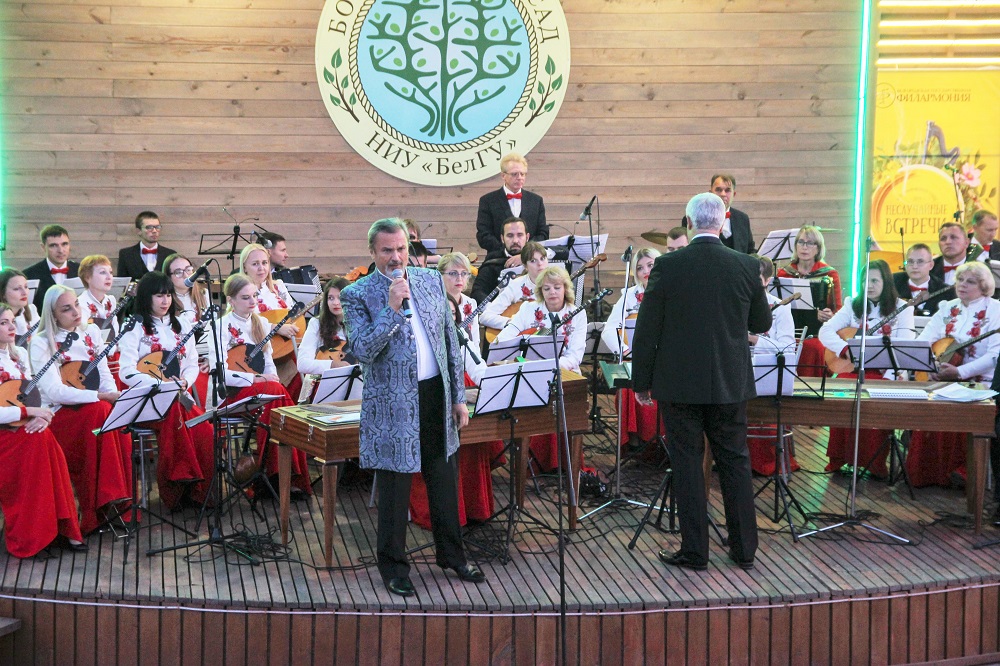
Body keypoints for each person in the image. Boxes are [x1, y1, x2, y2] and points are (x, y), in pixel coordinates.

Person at [341, 217, 484, 597]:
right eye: (387, 250)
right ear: (372, 252)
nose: (396, 257)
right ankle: (393, 567)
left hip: (435, 393)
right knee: (395, 489)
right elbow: (362, 350)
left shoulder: (430, 280)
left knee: (443, 479)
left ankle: (452, 556)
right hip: (392, 404)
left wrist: (457, 397)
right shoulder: (357, 294)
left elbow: (449, 340)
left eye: (401, 249)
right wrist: (391, 308)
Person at [631, 192, 770, 571]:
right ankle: (744, 549)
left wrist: (641, 380)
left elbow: (647, 329)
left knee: (688, 465)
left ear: (689, 223)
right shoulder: (747, 265)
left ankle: (695, 551)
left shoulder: (668, 266)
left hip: (679, 384)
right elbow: (761, 322)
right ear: (723, 222)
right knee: (735, 462)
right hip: (730, 380)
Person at [31, 285, 133, 535]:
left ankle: (116, 502)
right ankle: (106, 501)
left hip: (94, 411)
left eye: (76, 304)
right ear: (53, 315)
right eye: (66, 309)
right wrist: (100, 397)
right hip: (60, 415)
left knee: (116, 417)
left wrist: (114, 397)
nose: (76, 312)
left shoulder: (92, 332)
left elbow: (104, 374)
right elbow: (55, 392)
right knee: (100, 411)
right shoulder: (41, 342)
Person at [410, 253, 499, 528]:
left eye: (452, 315)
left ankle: (472, 507)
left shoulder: (460, 336)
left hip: (458, 400)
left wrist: (495, 382)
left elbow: (477, 365)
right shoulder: (421, 341)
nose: (448, 319)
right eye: (453, 274)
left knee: (473, 439)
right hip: (426, 404)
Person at [117, 271, 216, 510]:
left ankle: (200, 492)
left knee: (204, 429)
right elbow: (125, 372)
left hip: (179, 396)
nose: (165, 301)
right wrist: (159, 385)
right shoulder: (134, 327)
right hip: (148, 401)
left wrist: (185, 382)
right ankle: (177, 487)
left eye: (169, 295)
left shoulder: (182, 325)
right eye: (159, 296)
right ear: (146, 297)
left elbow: (191, 364)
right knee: (174, 415)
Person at [209, 273, 310, 495]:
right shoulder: (220, 326)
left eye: (254, 295)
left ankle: (275, 475)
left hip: (261, 392)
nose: (253, 301)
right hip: (231, 394)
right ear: (230, 300)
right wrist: (255, 379)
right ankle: (284, 475)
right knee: (278, 396)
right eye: (245, 298)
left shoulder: (261, 323)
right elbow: (221, 374)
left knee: (276, 393)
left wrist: (270, 377)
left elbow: (268, 364)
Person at [0, 303, 87, 558]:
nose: (11, 326)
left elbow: (35, 397)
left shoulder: (17, 354)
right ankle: (33, 537)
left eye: (12, 321)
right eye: (3, 323)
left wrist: (44, 417)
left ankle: (57, 529)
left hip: (22, 429)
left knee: (44, 438)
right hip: (3, 435)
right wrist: (27, 413)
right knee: (36, 444)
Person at [818, 260, 914, 477]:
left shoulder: (903, 307)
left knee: (874, 396)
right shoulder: (853, 304)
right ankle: (840, 458)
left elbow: (903, 346)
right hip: (853, 369)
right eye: (864, 280)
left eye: (875, 280)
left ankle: (874, 463)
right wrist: (845, 349)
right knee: (841, 390)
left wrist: (892, 375)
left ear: (886, 282)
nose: (868, 285)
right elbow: (825, 331)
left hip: (885, 372)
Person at [909, 262, 1000, 488]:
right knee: (925, 407)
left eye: (970, 281)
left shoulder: (996, 310)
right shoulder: (947, 308)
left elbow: (994, 355)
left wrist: (960, 372)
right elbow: (923, 342)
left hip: (981, 384)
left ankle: (963, 472)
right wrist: (931, 367)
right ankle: (928, 473)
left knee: (961, 409)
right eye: (960, 280)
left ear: (984, 286)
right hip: (942, 379)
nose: (962, 285)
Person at [495, 266, 588, 472]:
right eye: (546, 288)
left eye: (557, 287)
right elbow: (507, 336)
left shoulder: (577, 313)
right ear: (540, 291)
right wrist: (503, 347)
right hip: (531, 372)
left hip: (565, 373)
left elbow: (575, 356)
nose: (552, 292)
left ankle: (565, 464)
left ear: (566, 288)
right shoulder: (528, 308)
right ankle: (530, 461)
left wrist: (547, 367)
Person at [600, 248, 665, 452]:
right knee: (629, 386)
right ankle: (636, 444)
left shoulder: (670, 290)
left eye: (650, 265)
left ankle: (662, 443)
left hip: (664, 361)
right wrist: (625, 351)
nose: (645, 271)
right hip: (637, 360)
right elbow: (609, 329)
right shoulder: (629, 296)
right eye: (639, 268)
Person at [747, 254, 799, 476]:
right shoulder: (734, 303)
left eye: (756, 278)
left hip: (767, 376)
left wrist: (753, 339)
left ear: (767, 281)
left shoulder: (780, 308)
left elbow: (787, 349)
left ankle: (764, 460)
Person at [777, 225, 842, 377]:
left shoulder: (830, 274)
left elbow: (838, 310)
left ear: (818, 248)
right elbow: (777, 307)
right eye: (801, 242)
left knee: (813, 348)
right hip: (789, 330)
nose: (804, 247)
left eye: (810, 243)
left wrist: (829, 316)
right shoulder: (783, 274)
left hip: (817, 333)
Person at [240, 243, 302, 400]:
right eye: (255, 264)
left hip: (285, 346)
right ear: (245, 267)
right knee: (298, 364)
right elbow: (242, 323)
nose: (261, 268)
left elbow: (292, 314)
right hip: (259, 350)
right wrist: (276, 328)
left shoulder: (278, 287)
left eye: (264, 263)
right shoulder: (240, 292)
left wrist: (292, 326)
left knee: (307, 363)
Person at [476, 152, 548, 254]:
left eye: (522, 174)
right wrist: (507, 252)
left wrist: (525, 253)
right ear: (503, 175)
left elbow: (543, 233)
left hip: (529, 258)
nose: (519, 177)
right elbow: (483, 235)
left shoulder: (536, 201)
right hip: (498, 258)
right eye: (514, 174)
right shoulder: (488, 201)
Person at [164, 253, 212, 406]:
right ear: (169, 277)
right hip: (182, 359)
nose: (185, 275)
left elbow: (212, 331)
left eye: (188, 270)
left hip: (204, 355)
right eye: (178, 272)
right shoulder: (166, 301)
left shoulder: (203, 295)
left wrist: (211, 358)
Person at [479, 241, 549, 334]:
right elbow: (485, 317)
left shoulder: (557, 284)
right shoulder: (516, 285)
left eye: (542, 258)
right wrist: (513, 323)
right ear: (525, 266)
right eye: (533, 261)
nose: (540, 264)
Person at [681, 174, 754, 253]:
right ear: (710, 193)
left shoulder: (742, 218)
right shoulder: (693, 217)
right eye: (718, 190)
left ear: (734, 194)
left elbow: (750, 250)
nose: (723, 194)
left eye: (727, 190)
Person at [297, 277, 353, 379]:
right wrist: (332, 365)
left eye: (340, 297)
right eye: (331, 298)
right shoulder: (316, 323)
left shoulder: (361, 323)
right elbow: (302, 363)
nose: (335, 302)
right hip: (323, 380)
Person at [471, 217, 529, 304]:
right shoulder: (492, 262)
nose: (515, 240)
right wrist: (493, 308)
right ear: (502, 238)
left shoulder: (539, 261)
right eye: (510, 235)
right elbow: (477, 292)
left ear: (527, 237)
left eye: (520, 235)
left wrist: (526, 257)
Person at [23, 224, 79, 312]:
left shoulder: (81, 271)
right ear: (43, 247)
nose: (61, 250)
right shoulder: (29, 275)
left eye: (64, 244)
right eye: (53, 245)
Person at [116, 211, 177, 282]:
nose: (154, 231)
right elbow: (122, 283)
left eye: (157, 227)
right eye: (149, 227)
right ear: (138, 231)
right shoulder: (126, 254)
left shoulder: (170, 254)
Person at [893, 243, 950, 317]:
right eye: (910, 261)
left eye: (920, 262)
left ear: (931, 265)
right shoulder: (891, 285)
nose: (915, 266)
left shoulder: (946, 291)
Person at [0, 268, 39, 344]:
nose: (25, 292)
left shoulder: (32, 310)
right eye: (17, 289)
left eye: (26, 287)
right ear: (3, 293)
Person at [932, 222, 975, 286]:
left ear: (966, 242)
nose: (948, 242)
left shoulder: (978, 269)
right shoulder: (929, 269)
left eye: (953, 237)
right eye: (943, 239)